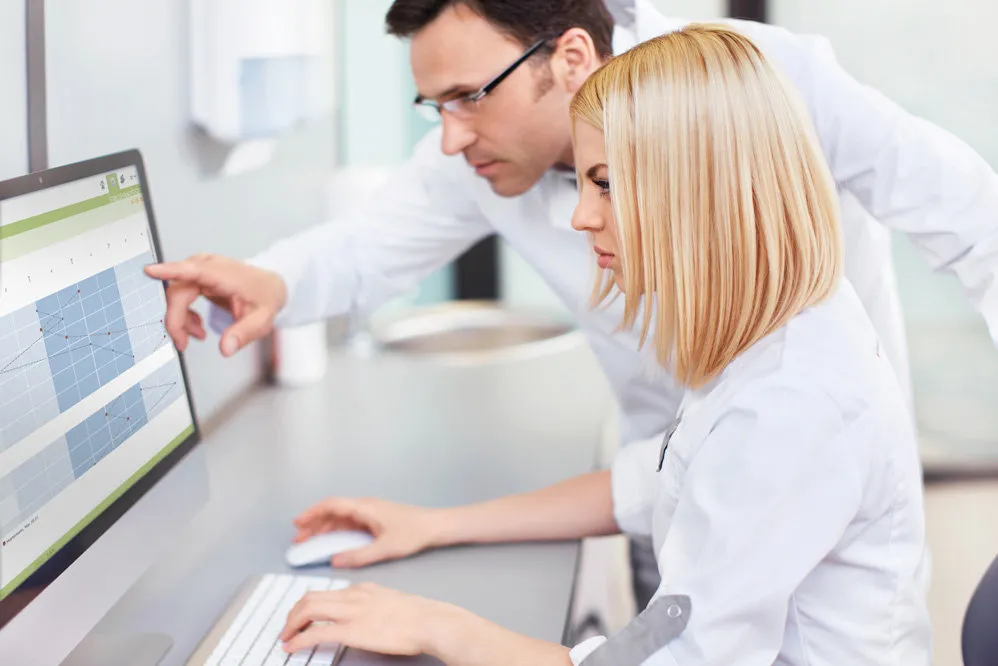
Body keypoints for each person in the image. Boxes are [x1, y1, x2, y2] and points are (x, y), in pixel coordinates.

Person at [145, 0, 998, 609]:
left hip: (817, 477)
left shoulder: (757, 87)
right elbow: (368, 245)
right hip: (669, 469)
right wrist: (270, 280)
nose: (449, 137)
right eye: (433, 106)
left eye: (470, 97)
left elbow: (970, 216)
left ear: (572, 59)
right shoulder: (477, 156)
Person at [275, 25, 932, 665]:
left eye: (606, 183)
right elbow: (662, 478)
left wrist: (436, 626)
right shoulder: (781, 325)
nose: (582, 216)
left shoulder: (791, 403)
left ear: (703, 183)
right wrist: (437, 525)